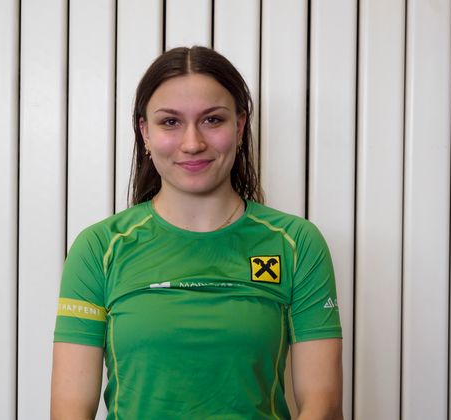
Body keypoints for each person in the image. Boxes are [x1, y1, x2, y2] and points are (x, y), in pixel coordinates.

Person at [51, 46, 343, 420]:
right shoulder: (99, 248)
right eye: (170, 122)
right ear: (145, 133)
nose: (192, 143)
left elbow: (323, 403)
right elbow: (69, 410)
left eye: (212, 120)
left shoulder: (296, 243)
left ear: (240, 126)